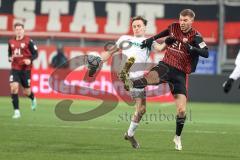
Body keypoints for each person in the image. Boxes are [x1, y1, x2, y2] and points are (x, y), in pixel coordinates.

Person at [121, 9, 209, 150]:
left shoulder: (196, 36)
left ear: (192, 21)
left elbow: (206, 53)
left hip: (180, 74)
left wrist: (192, 47)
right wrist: (151, 39)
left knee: (182, 111)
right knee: (148, 79)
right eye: (180, 19)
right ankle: (129, 82)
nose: (182, 23)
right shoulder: (174, 27)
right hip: (166, 66)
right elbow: (163, 33)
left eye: (185, 20)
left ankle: (177, 138)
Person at [87, 16, 166, 148]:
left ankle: (129, 135)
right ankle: (125, 76)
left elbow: (159, 48)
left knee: (141, 110)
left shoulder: (148, 41)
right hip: (130, 76)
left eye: (139, 26)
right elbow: (111, 52)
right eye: (134, 26)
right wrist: (100, 61)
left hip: (140, 79)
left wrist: (169, 40)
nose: (136, 28)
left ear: (145, 27)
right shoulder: (125, 39)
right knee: (139, 105)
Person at [8, 23, 38, 119]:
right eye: (17, 29)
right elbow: (9, 54)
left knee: (26, 92)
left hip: (26, 70)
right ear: (15, 30)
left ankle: (32, 98)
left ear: (23, 30)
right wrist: (10, 58)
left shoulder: (29, 41)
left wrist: (30, 60)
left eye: (20, 29)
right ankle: (17, 111)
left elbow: (36, 53)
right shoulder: (11, 41)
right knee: (14, 87)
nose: (19, 31)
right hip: (15, 69)